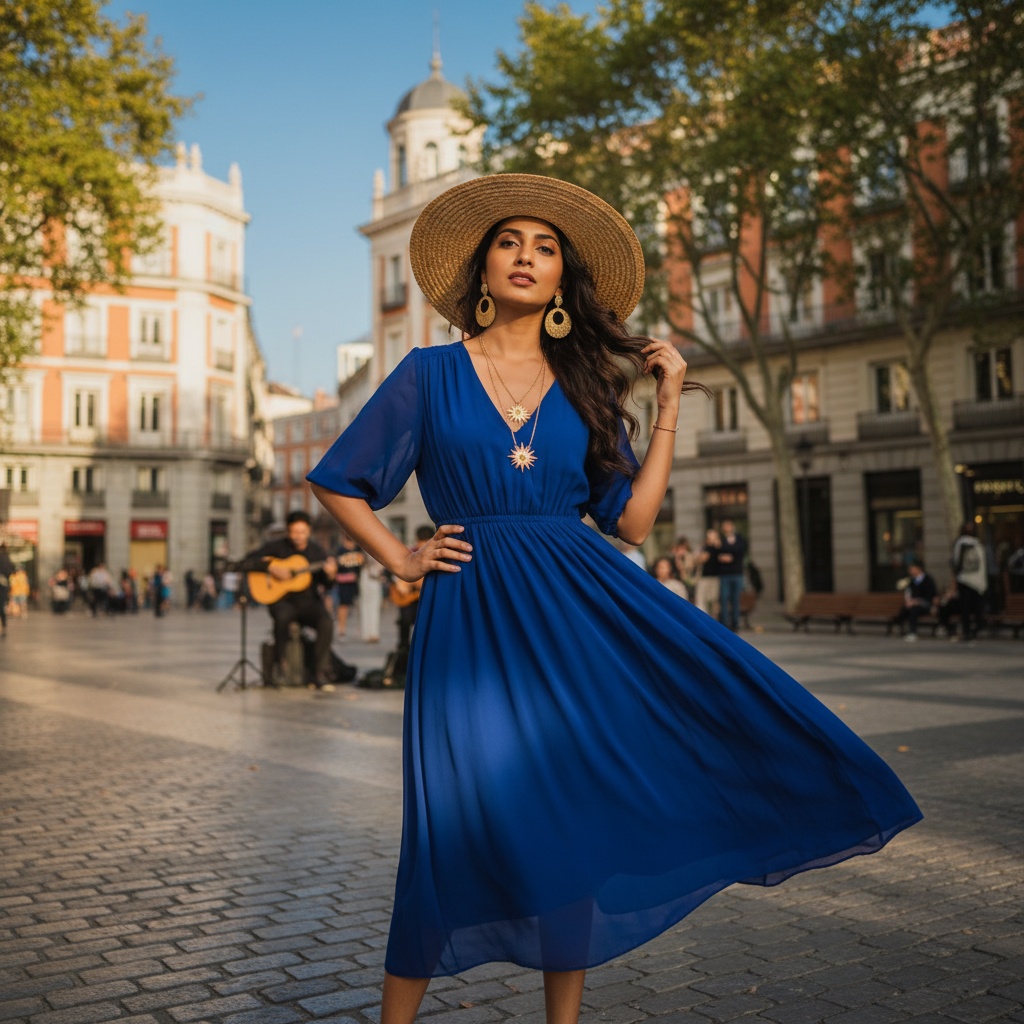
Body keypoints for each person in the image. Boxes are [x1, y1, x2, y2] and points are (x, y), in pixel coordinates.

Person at [306, 173, 920, 1024]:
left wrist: (666, 407)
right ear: (482, 273)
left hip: (578, 614)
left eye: (545, 247)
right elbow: (338, 480)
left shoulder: (588, 381)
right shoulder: (428, 374)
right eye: (509, 243)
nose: (527, 257)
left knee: (571, 816)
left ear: (564, 279)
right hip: (469, 617)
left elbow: (628, 521)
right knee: (450, 821)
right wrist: (401, 560)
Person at [245, 511, 337, 687]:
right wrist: (271, 568)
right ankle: (281, 663)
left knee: (326, 622)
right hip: (282, 600)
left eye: (302, 532)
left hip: (308, 602)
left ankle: (319, 671)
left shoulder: (317, 552)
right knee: (283, 617)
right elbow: (250, 559)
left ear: (309, 531)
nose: (299, 537)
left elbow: (327, 585)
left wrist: (331, 575)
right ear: (288, 531)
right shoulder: (276, 547)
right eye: (295, 532)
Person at [951, 522, 987, 642]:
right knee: (976, 606)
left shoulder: (960, 543)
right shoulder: (978, 543)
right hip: (977, 580)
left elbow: (956, 561)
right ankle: (976, 629)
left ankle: (967, 630)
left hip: (964, 579)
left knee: (965, 607)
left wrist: (956, 575)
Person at [332, 533, 365, 637]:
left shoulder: (358, 550)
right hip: (343, 583)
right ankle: (341, 629)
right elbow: (335, 567)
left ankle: (360, 629)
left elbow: (361, 566)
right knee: (343, 606)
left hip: (355, 582)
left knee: (358, 605)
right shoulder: (340, 551)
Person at [717, 519, 747, 631]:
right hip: (725, 574)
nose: (726, 528)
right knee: (724, 599)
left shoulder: (739, 539)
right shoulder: (720, 539)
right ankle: (725, 623)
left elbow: (741, 550)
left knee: (735, 599)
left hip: (737, 573)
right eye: (724, 526)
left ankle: (735, 623)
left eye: (728, 526)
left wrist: (729, 554)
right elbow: (717, 552)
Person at [895, 562, 938, 641]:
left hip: (925, 605)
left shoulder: (928, 579)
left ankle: (912, 632)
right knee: (905, 609)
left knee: (913, 610)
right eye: (910, 570)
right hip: (913, 604)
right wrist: (909, 601)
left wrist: (918, 601)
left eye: (913, 569)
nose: (911, 571)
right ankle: (900, 626)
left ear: (919, 569)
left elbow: (931, 595)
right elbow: (909, 593)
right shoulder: (911, 580)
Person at [694, 527, 722, 616]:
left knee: (714, 601)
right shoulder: (704, 548)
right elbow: (700, 560)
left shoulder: (719, 548)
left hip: (715, 577)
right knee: (701, 600)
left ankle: (714, 619)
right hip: (704, 577)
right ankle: (702, 617)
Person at [0, 543, 14, 637]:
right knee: (2, 606)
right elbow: (12, 570)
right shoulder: (8, 559)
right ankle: (4, 626)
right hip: (3, 584)